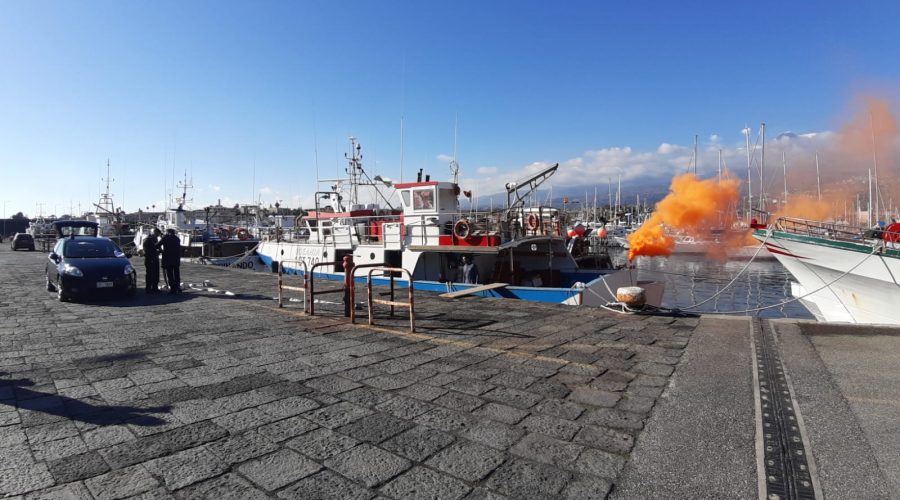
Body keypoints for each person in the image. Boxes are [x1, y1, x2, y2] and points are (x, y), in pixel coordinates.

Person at [157, 229, 182, 294]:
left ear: (168, 232)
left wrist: (160, 251)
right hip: (176, 259)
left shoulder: (165, 238)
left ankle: (173, 288)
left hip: (168, 258)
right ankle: (178, 287)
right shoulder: (177, 239)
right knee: (177, 273)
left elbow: (157, 245)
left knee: (170, 274)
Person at [142, 229, 162, 293]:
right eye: (157, 234)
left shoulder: (154, 239)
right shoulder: (147, 240)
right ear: (154, 233)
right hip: (150, 259)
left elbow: (157, 247)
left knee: (155, 273)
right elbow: (147, 250)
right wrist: (156, 252)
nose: (157, 236)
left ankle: (154, 287)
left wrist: (159, 251)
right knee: (150, 274)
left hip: (154, 258)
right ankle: (148, 288)